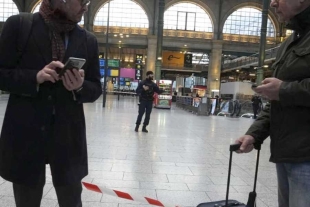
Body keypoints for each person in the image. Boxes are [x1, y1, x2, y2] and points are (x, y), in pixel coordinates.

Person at [0, 0, 102, 206]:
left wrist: (80, 86)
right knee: (27, 199)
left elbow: (96, 88)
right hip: (26, 135)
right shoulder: (20, 26)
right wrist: (34, 77)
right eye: (82, 1)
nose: (86, 6)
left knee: (71, 199)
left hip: (67, 137)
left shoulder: (87, 40)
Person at [235, 0, 310, 206]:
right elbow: (278, 100)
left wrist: (283, 89)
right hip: (287, 153)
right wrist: (254, 134)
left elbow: (282, 93)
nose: (273, 3)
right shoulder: (289, 42)